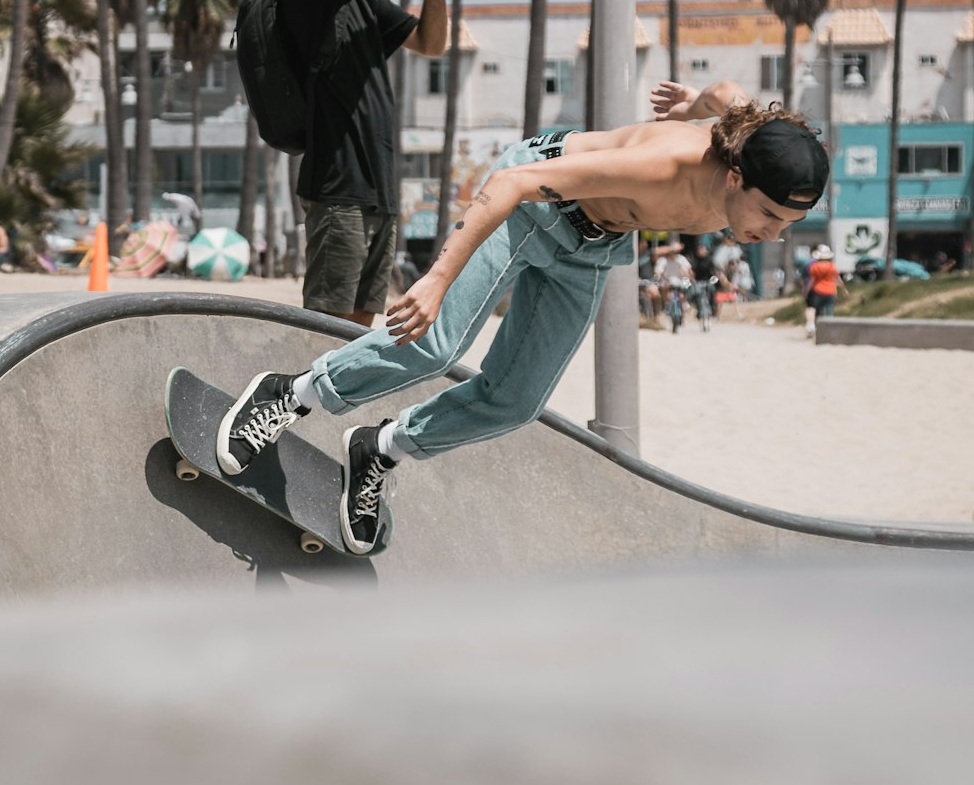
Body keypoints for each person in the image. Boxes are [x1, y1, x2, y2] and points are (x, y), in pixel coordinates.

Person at [215, 79, 829, 553]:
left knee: (517, 400)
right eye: (768, 218)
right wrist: (435, 279)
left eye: (787, 227)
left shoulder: (749, 138)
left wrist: (696, 96)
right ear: (733, 176)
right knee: (434, 346)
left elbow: (731, 98)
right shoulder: (661, 166)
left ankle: (380, 448)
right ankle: (289, 394)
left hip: (594, 248)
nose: (771, 235)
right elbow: (513, 182)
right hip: (531, 208)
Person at [274, 0, 455, 325]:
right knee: (322, 334)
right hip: (336, 189)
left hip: (378, 191)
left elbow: (432, 44)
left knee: (354, 336)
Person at [803, 243, 842, 339]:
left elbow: (812, 281)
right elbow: (838, 279)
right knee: (829, 310)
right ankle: (829, 331)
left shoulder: (815, 267)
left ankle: (815, 329)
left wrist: (806, 291)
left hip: (818, 291)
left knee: (816, 310)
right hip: (831, 291)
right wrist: (842, 287)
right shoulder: (832, 266)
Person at [655, 242, 694, 333]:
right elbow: (658, 271)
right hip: (668, 283)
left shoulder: (681, 259)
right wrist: (659, 277)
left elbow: (688, 270)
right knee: (666, 294)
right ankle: (666, 306)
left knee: (681, 297)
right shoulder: (663, 260)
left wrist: (688, 275)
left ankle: (682, 314)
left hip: (679, 283)